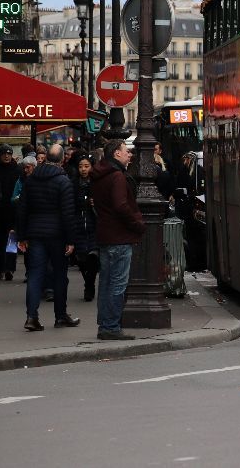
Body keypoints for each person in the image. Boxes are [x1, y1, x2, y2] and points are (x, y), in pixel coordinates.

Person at [16, 145, 79, 332]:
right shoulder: (63, 181)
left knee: (35, 274)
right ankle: (60, 315)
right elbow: (68, 213)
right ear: (61, 160)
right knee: (60, 275)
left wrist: (22, 235)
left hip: (35, 233)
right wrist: (71, 239)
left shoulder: (31, 179)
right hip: (57, 234)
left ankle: (31, 316)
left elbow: (22, 209)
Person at [92, 140, 144, 340]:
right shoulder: (117, 177)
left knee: (106, 283)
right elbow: (121, 206)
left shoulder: (100, 175)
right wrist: (137, 223)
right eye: (126, 151)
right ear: (116, 154)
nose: (129, 155)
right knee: (117, 284)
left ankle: (105, 324)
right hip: (119, 236)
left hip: (106, 234)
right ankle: (111, 326)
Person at [70, 154, 99, 302]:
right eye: (81, 166)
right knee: (81, 258)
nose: (83, 169)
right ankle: (88, 281)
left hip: (94, 224)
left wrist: (96, 205)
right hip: (79, 224)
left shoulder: (97, 184)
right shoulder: (73, 185)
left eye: (86, 166)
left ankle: (89, 285)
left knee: (93, 256)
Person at [0, 146, 21, 282]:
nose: (7, 156)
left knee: (12, 240)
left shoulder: (17, 169)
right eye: (4, 154)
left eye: (9, 154)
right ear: (0, 155)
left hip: (12, 208)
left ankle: (9, 268)